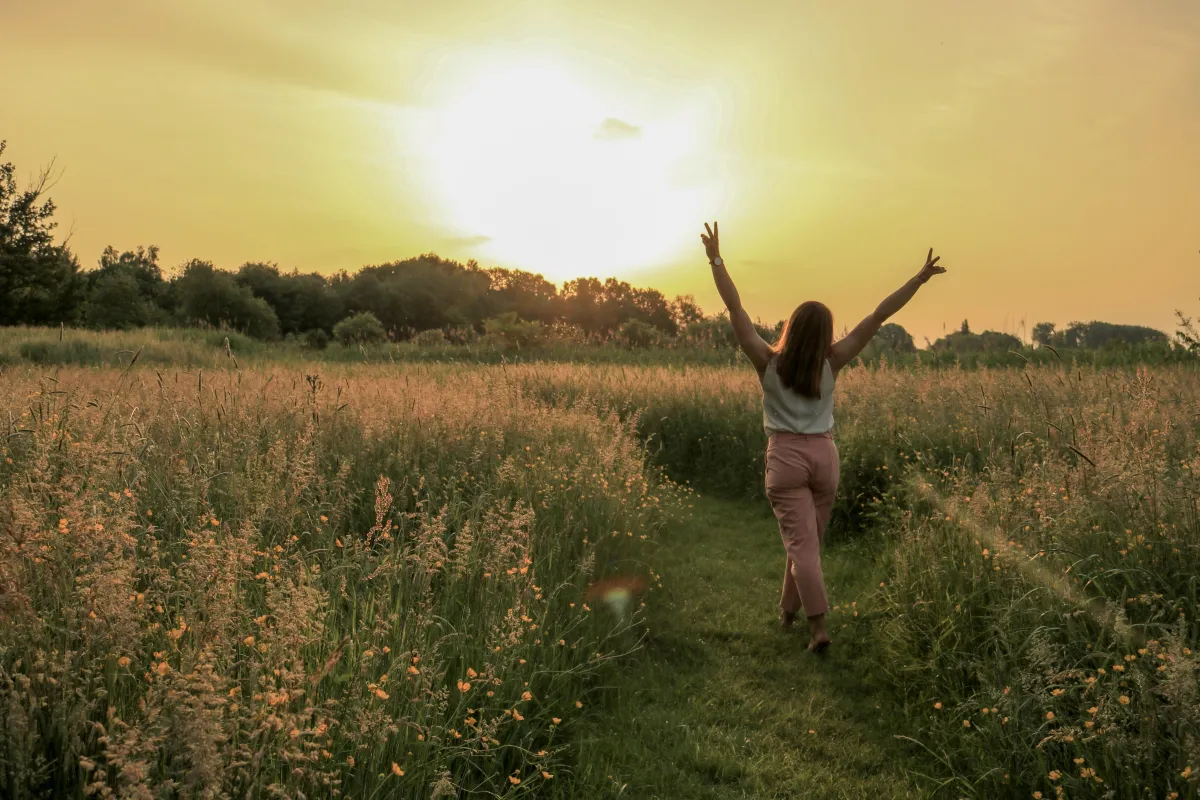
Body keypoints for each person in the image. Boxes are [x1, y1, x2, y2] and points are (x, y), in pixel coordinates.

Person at [700, 221, 947, 653]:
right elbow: (879, 315)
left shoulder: (767, 362)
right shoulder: (834, 360)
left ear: (792, 327)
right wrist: (919, 279)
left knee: (803, 547)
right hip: (825, 459)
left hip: (786, 461)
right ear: (824, 332)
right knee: (806, 544)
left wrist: (717, 260)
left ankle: (818, 630)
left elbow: (735, 310)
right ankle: (787, 613)